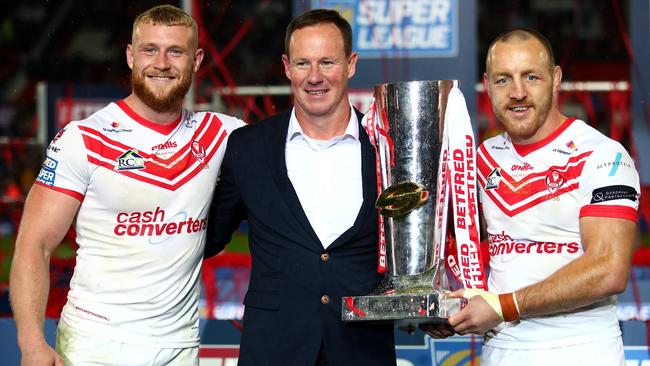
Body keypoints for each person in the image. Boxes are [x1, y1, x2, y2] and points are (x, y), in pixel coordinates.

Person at [9, 5, 244, 365]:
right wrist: (31, 343)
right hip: (96, 344)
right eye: (150, 50)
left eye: (175, 51)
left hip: (181, 347)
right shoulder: (85, 138)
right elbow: (34, 244)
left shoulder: (222, 135)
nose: (162, 63)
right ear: (131, 56)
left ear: (196, 60)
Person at [424, 28, 640, 365]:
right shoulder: (479, 159)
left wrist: (503, 306)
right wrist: (450, 308)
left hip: (581, 351)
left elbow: (608, 269)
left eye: (531, 77)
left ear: (555, 79)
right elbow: (459, 252)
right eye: (503, 80)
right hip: (501, 350)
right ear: (487, 84)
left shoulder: (602, 155)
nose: (518, 92)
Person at [206, 8, 396, 366]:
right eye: (303, 63)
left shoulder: (387, 147)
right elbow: (207, 236)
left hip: (363, 351)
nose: (314, 77)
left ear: (351, 64)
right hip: (273, 351)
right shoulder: (248, 147)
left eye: (327, 62)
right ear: (286, 66)